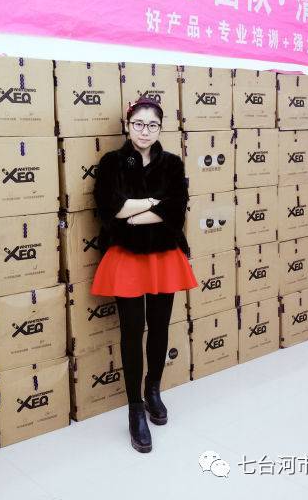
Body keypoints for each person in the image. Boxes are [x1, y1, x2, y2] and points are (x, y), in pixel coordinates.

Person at [91, 96, 198, 453]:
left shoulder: (172, 163)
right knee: (131, 331)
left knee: (160, 326)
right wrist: (154, 203)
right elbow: (110, 207)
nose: (145, 131)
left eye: (152, 125)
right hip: (127, 257)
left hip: (164, 255)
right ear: (128, 125)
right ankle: (135, 408)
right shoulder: (112, 162)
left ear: (160, 128)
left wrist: (135, 212)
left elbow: (176, 210)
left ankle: (154, 389)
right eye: (138, 124)